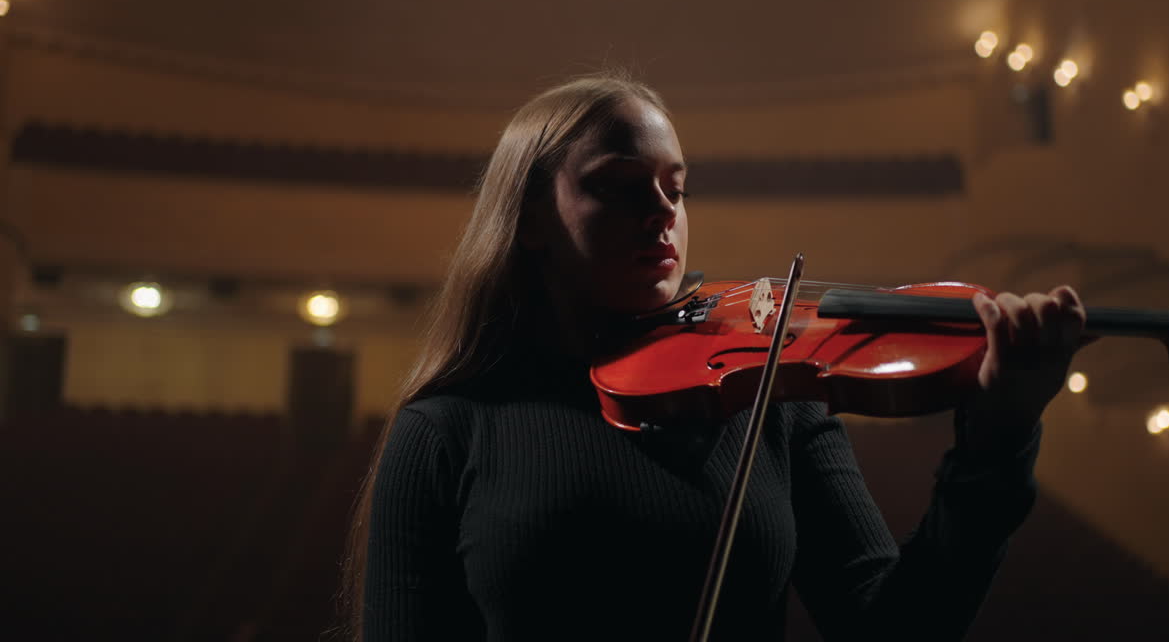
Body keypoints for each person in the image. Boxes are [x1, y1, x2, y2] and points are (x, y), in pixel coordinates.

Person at [340, 73, 1088, 641]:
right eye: (620, 188)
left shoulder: (766, 401)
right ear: (529, 219)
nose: (663, 212)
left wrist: (998, 440)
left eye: (676, 188)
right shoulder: (447, 431)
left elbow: (893, 630)